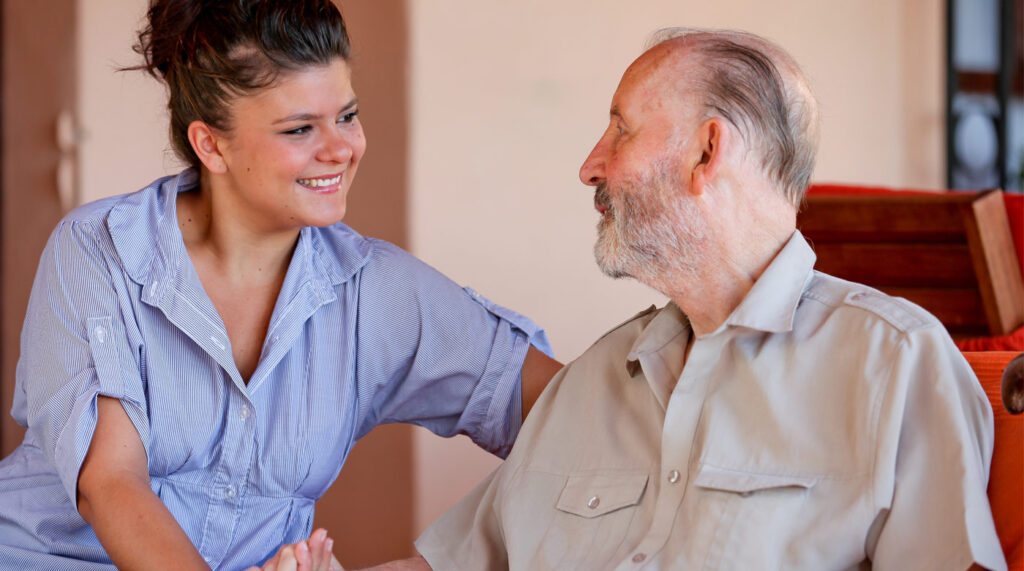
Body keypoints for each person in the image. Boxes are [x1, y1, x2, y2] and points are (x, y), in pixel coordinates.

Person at [403, 28, 1007, 570]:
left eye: (621, 129)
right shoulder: (587, 384)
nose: (591, 167)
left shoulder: (896, 363)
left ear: (707, 151)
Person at [0, 1, 561, 569]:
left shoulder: (374, 292)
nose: (341, 148)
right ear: (210, 145)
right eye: (300, 129)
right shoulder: (102, 249)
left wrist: (450, 560)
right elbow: (110, 483)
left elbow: (569, 412)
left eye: (346, 115)